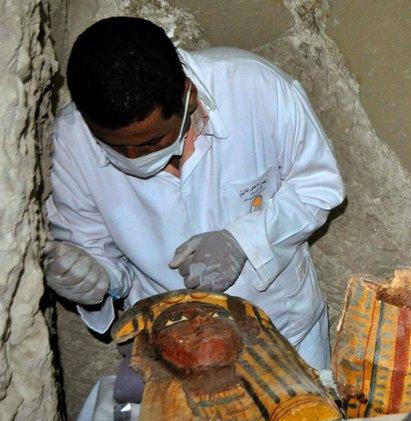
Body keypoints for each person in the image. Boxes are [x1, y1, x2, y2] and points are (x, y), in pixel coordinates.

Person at [43, 17, 344, 395]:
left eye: (152, 141)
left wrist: (242, 241)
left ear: (189, 96)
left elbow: (319, 186)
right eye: (116, 147)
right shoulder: (73, 139)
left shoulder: (255, 88)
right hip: (167, 358)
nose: (134, 157)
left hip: (285, 334)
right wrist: (90, 276)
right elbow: (97, 257)